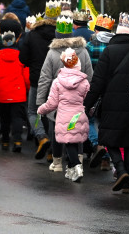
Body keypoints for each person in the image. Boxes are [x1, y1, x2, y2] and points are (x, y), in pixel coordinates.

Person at [83, 13, 129, 194]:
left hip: (111, 103)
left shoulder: (109, 52)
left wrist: (87, 104)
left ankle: (121, 169)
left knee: (109, 139)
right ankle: (127, 181)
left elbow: (98, 82)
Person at [37, 15, 93, 172]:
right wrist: (90, 99)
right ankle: (77, 161)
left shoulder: (52, 53)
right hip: (79, 100)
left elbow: (45, 78)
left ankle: (57, 162)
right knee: (77, 128)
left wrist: (40, 101)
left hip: (57, 99)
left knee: (57, 129)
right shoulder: (82, 51)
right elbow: (90, 75)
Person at [20, 2, 60, 160]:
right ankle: (52, 151)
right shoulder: (61, 34)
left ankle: (42, 137)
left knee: (33, 111)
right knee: (52, 115)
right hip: (57, 79)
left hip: (37, 79)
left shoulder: (32, 34)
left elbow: (22, 58)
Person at [0, 30, 30, 151]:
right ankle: (17, 141)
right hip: (18, 93)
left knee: (4, 118)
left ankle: (5, 141)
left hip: (2, 93)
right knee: (17, 118)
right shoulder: (21, 58)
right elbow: (26, 77)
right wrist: (27, 89)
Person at [85, 14, 115, 170]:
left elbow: (85, 67)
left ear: (96, 29)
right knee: (105, 123)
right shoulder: (114, 46)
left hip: (94, 88)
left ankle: (97, 144)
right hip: (111, 90)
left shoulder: (90, 46)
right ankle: (106, 160)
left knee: (89, 120)